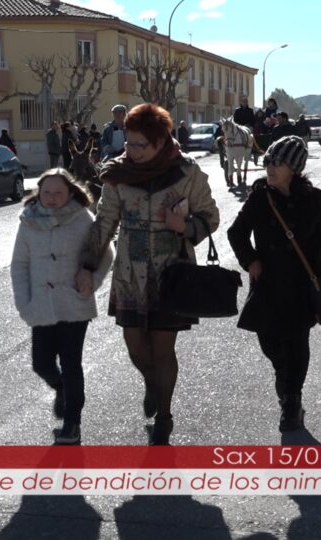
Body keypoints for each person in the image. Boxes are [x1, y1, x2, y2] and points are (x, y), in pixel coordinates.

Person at [76, 103, 220, 445]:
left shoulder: (187, 173)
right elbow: (104, 222)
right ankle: (152, 383)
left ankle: (165, 417)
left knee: (162, 349)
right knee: (136, 348)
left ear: (160, 142)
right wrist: (86, 264)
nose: (130, 150)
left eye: (139, 144)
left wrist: (183, 226)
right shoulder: (117, 175)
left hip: (171, 276)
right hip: (129, 274)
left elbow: (210, 217)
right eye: (128, 142)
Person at [227, 136, 321, 432]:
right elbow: (236, 233)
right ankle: (284, 377)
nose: (270, 167)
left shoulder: (315, 201)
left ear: (294, 167)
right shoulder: (260, 197)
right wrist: (250, 261)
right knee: (270, 344)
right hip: (267, 285)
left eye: (277, 162)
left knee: (297, 343)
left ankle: (292, 400)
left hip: (302, 287)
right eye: (268, 161)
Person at [10, 169, 113, 445]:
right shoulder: (28, 222)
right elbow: (19, 265)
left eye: (58, 193)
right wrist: (24, 303)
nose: (52, 198)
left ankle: (72, 423)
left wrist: (93, 277)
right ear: (38, 193)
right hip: (40, 306)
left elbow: (106, 251)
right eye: (47, 193)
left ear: (70, 194)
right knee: (41, 363)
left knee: (71, 364)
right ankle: (61, 390)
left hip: (74, 304)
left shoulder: (82, 219)